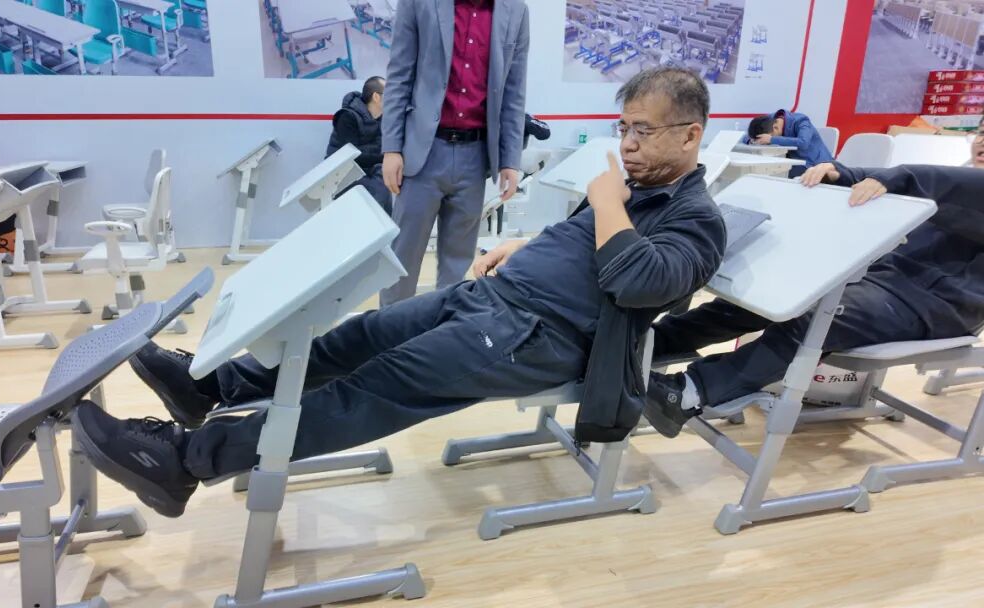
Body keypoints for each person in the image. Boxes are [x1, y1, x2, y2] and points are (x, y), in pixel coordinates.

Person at [72, 68, 728, 519]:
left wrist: (606, 202)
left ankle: (185, 462)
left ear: (690, 134)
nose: (628, 143)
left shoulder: (697, 219)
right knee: (357, 335)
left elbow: (642, 282)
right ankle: (211, 387)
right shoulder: (631, 190)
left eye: (643, 131)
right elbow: (589, 248)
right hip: (495, 299)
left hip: (539, 338)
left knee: (371, 389)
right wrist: (527, 245)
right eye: (624, 127)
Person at [642, 116, 984, 438]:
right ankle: (648, 346)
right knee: (763, 298)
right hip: (883, 280)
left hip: (937, 306)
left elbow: (932, 182)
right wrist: (843, 175)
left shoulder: (961, 187)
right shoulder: (959, 184)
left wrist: (895, 177)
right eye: (981, 132)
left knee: (814, 320)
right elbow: (926, 184)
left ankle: (688, 394)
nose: (982, 141)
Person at [378, 0, 531, 306]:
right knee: (402, 261)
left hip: (475, 156)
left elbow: (514, 92)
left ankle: (445, 330)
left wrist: (510, 160)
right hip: (423, 153)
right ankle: (389, 331)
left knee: (457, 266)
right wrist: (392, 147)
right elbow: (399, 77)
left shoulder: (516, 11)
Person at [327, 76, 393, 215]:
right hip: (342, 172)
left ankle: (383, 224)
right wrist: (386, 157)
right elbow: (350, 156)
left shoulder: (383, 118)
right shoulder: (347, 117)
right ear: (376, 97)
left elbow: (382, 149)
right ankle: (377, 223)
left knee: (385, 177)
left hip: (368, 169)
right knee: (378, 187)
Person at [747, 110, 834, 178]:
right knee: (762, 171)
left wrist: (772, 139)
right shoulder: (768, 120)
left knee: (774, 175)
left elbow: (803, 143)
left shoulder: (802, 121)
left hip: (815, 164)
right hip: (791, 162)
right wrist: (752, 141)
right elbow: (746, 136)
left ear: (775, 127)